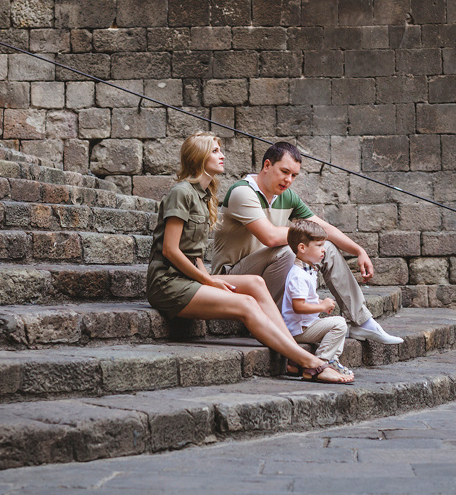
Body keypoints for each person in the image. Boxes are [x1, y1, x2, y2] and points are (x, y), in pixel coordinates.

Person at [146, 132, 353, 384]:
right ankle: (310, 363)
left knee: (256, 284)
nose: (222, 155)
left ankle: (294, 355)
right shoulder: (182, 193)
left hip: (190, 278)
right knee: (246, 303)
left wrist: (206, 277)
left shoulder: (205, 195)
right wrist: (209, 281)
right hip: (168, 284)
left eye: (220, 150)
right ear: (198, 155)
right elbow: (170, 250)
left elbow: (195, 253)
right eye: (214, 151)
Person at [211, 141, 403, 345]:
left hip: (267, 275)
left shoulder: (286, 196)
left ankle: (362, 322)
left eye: (294, 175)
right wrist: (306, 237)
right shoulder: (243, 192)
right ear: (267, 165)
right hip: (231, 280)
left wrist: (358, 250)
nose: (288, 180)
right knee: (291, 249)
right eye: (284, 171)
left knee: (324, 246)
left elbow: (323, 230)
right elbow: (270, 237)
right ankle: (277, 323)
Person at [282, 220, 353, 377]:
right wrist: (321, 307)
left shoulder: (307, 270)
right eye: (319, 245)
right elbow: (298, 307)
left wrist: (320, 303)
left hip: (306, 325)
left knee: (338, 324)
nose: (324, 250)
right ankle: (321, 361)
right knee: (339, 324)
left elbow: (304, 301)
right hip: (299, 329)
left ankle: (309, 364)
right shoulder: (299, 275)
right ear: (302, 248)